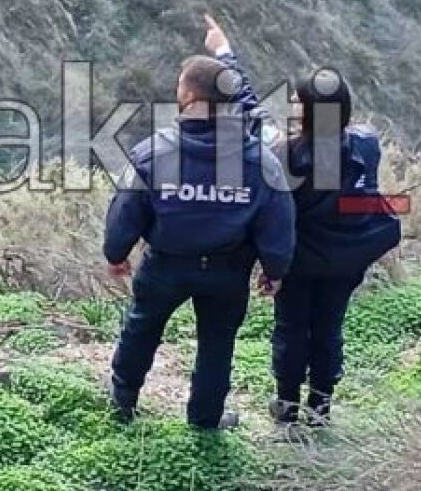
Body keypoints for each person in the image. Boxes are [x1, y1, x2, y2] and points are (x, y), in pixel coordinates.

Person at [203, 16, 401, 428]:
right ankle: (321, 406)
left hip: (299, 258)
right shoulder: (365, 143)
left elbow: (248, 109)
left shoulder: (284, 153)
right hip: (347, 257)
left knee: (292, 326)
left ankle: (288, 405)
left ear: (307, 111)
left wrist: (224, 53)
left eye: (296, 101)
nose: (290, 103)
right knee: (329, 327)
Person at [104, 55, 296, 430]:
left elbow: (126, 208)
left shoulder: (153, 152)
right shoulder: (260, 161)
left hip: (165, 266)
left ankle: (122, 401)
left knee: (142, 327)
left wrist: (116, 253)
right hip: (227, 271)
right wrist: (276, 269)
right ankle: (205, 420)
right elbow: (279, 219)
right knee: (217, 344)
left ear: (189, 94)